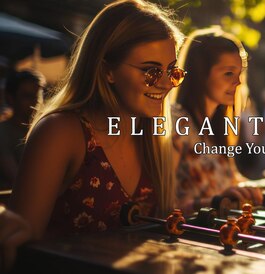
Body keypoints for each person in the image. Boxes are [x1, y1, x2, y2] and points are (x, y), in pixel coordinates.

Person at [6, 0, 184, 244]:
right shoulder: (61, 132)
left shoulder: (155, 136)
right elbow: (19, 245)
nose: (165, 84)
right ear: (106, 70)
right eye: (151, 71)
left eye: (172, 71)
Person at [170, 27, 261, 215]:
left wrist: (250, 189)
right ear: (199, 73)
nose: (238, 83)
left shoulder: (217, 128)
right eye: (228, 73)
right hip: (187, 238)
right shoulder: (176, 122)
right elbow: (162, 205)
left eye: (240, 74)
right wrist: (215, 201)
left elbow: (230, 181)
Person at [0, 70, 45, 189]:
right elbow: (17, 178)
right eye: (27, 96)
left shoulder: (43, 131)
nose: (35, 102)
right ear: (10, 99)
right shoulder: (3, 133)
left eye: (37, 96)